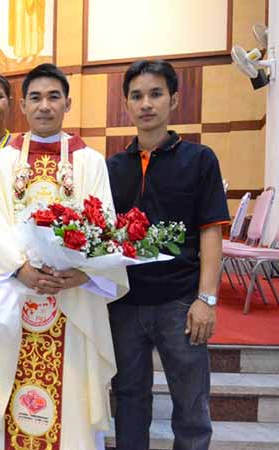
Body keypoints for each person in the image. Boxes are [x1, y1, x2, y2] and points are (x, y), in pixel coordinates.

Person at [0, 63, 129, 450]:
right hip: (16, 297)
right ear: (22, 105)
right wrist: (20, 269)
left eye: (54, 97)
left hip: (72, 300)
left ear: (68, 103)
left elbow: (103, 221)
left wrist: (84, 273)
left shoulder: (90, 161)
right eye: (35, 98)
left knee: (72, 401)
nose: (45, 106)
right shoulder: (3, 162)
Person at [106, 60, 230, 450]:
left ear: (174, 100)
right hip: (124, 303)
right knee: (128, 400)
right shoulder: (112, 167)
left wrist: (206, 299)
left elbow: (211, 231)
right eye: (137, 96)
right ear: (127, 104)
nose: (146, 104)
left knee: (191, 404)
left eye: (156, 94)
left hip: (180, 303)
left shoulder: (200, 159)